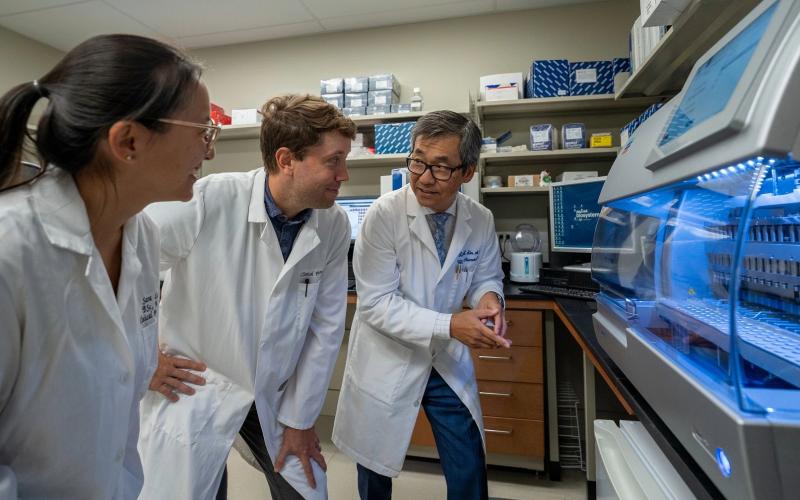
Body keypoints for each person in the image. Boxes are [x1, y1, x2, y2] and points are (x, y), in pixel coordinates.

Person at [0, 34, 215, 499]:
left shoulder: (140, 236)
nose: (210, 150)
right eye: (202, 131)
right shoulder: (10, 251)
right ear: (129, 140)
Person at [137, 94, 355, 500]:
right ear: (287, 159)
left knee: (308, 490)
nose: (343, 174)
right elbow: (126, 264)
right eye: (333, 160)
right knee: (192, 488)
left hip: (273, 392)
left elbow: (325, 329)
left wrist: (301, 418)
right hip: (196, 384)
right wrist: (143, 358)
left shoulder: (334, 224)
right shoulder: (208, 199)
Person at [333, 110, 509, 500]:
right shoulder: (384, 215)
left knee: (467, 458)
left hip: (444, 359)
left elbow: (485, 276)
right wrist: (451, 325)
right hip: (388, 354)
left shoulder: (479, 218)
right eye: (417, 161)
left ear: (468, 172)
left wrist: (490, 302)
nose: (424, 177)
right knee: (375, 464)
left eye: (441, 167)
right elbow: (376, 304)